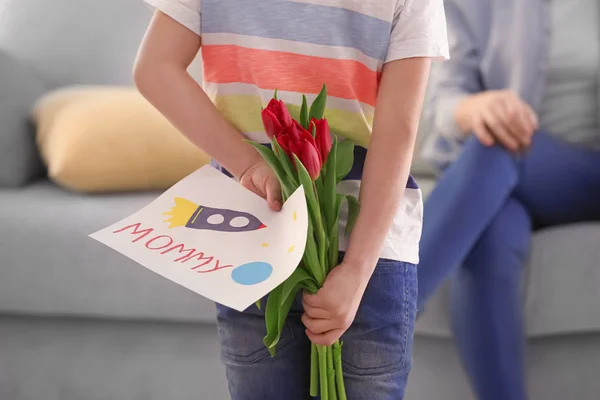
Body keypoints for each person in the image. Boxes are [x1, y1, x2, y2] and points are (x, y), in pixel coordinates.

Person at [133, 0, 448, 398]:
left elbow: (155, 70)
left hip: (257, 235)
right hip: (357, 249)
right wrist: (355, 270)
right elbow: (398, 129)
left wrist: (248, 166)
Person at [418, 0, 600, 399]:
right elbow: (445, 98)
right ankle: (386, 310)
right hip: (503, 178)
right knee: (490, 241)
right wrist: (473, 108)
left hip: (588, 176)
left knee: (496, 150)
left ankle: (386, 307)